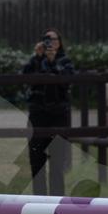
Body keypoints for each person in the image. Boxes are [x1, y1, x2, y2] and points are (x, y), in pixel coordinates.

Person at [22, 28, 76, 195]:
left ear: (59, 43)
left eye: (54, 39)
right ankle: (38, 199)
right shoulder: (35, 60)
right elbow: (25, 79)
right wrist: (38, 58)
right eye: (47, 39)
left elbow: (67, 83)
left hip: (58, 115)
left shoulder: (65, 61)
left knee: (57, 162)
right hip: (37, 115)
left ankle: (57, 200)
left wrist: (53, 62)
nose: (50, 43)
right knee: (36, 160)